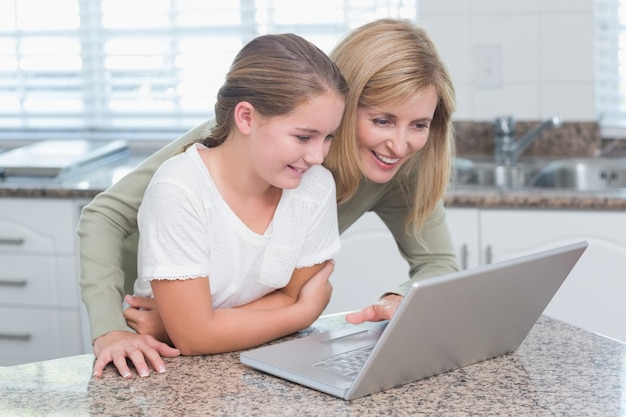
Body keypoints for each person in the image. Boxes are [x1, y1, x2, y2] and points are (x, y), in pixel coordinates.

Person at [78, 18, 458, 379]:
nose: (400, 144)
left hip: (220, 320)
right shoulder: (240, 140)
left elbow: (438, 262)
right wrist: (112, 327)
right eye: (382, 120)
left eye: (419, 125)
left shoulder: (385, 168)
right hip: (145, 308)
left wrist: (400, 299)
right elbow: (105, 216)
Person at [80, 32, 348, 377]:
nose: (317, 155)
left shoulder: (315, 186)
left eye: (328, 137)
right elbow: (193, 339)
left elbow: (285, 296)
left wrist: (191, 324)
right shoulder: (180, 188)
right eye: (303, 137)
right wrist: (302, 313)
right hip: (167, 371)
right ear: (246, 118)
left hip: (260, 370)